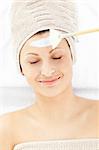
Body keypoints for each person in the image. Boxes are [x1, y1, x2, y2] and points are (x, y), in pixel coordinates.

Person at [0, 0, 99, 149]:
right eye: (33, 61)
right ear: (21, 68)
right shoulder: (6, 128)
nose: (47, 71)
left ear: (72, 56)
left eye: (57, 57)